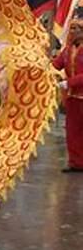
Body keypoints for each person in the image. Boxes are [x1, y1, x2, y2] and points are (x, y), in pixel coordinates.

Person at [53, 19, 83, 173]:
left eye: (76, 28)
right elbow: (55, 65)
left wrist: (69, 82)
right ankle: (76, 163)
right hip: (72, 98)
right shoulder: (66, 50)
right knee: (72, 131)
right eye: (71, 28)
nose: (72, 31)